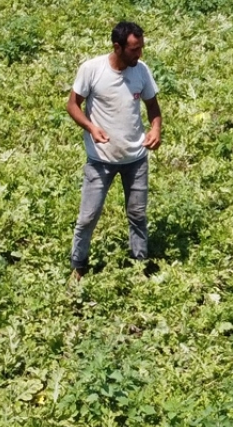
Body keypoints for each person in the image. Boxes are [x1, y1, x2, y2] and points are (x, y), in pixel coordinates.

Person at [66, 21, 162, 279]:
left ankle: (140, 264)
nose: (139, 54)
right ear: (117, 47)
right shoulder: (92, 70)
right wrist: (90, 127)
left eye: (140, 48)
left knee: (138, 215)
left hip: (136, 158)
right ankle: (78, 265)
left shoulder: (141, 70)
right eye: (134, 50)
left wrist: (156, 130)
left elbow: (153, 106)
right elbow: (73, 105)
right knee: (88, 217)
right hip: (101, 160)